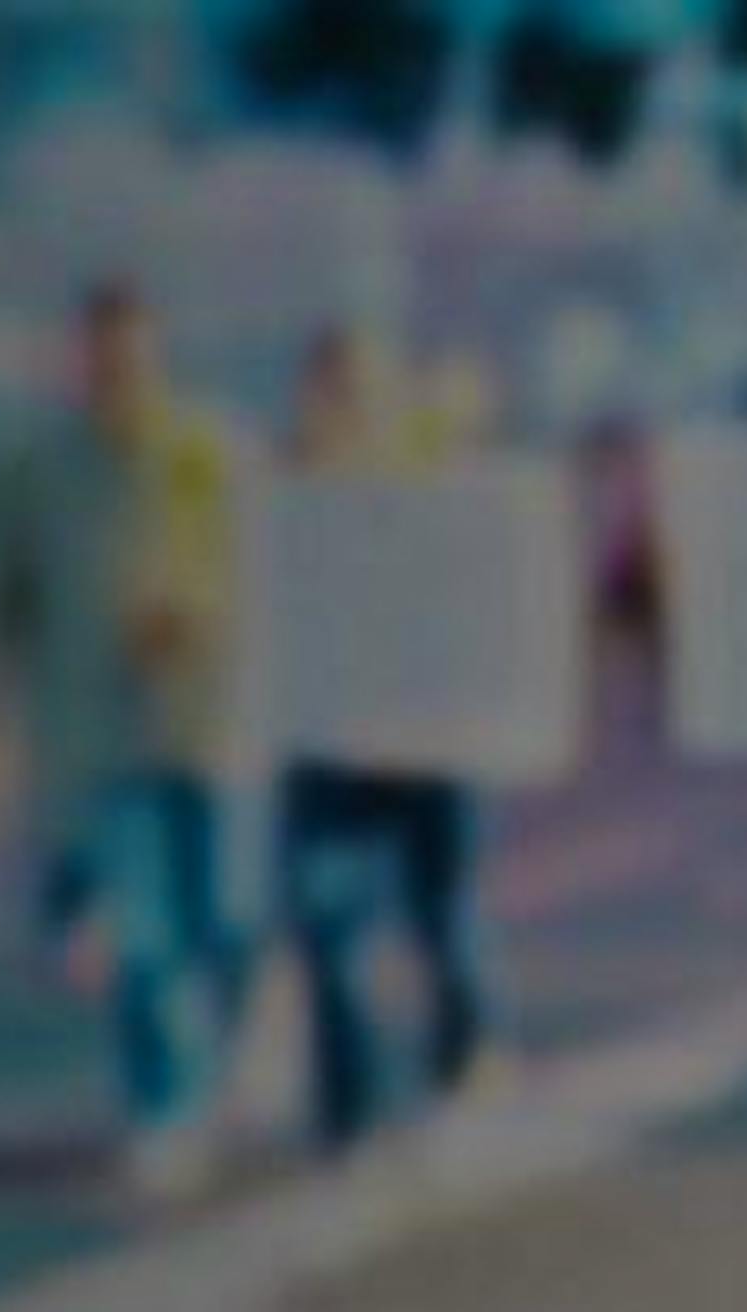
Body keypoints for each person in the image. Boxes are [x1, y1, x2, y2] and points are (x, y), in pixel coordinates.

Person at [0, 282, 251, 1196]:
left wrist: (195, 617)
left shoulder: (212, 449)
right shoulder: (36, 471)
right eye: (102, 355)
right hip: (100, 743)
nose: (118, 373)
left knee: (227, 927)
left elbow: (267, 570)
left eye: (134, 354)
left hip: (214, 733)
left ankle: (208, 1075)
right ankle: (165, 1108)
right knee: (146, 937)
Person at [273, 326, 502, 1153]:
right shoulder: (284, 482)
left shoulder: (432, 467)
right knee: (329, 934)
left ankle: (461, 1049)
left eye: (358, 385)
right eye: (328, 385)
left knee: (447, 927)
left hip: (430, 745)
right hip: (329, 747)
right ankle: (349, 1110)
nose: (341, 402)